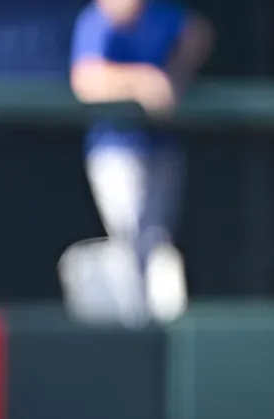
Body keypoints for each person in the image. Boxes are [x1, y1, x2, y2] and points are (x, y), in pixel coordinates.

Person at [65, 0, 212, 323]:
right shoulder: (96, 21)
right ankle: (131, 325)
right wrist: (142, 81)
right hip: (115, 148)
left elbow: (198, 34)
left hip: (161, 144)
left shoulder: (158, 14)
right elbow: (85, 80)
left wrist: (175, 72)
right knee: (128, 237)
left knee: (157, 240)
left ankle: (151, 323)